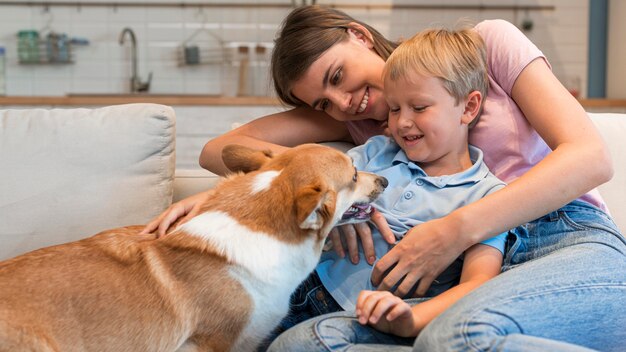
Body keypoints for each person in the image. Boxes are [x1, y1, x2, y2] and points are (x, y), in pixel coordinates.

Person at [144, 5, 626, 351]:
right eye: (322, 104)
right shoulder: (372, 125)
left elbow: (590, 158)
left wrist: (455, 229)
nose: (343, 102)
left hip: (562, 233)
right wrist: (329, 199)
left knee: (454, 336)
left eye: (337, 77)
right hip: (458, 276)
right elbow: (218, 149)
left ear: (359, 35)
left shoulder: (484, 46)